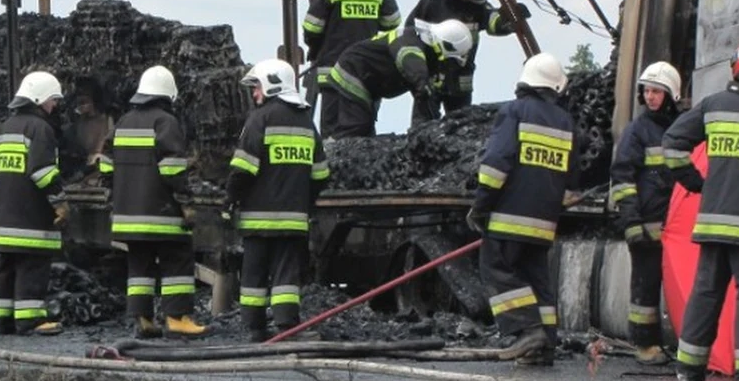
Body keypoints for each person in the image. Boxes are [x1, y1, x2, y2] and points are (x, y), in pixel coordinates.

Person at [467, 53, 579, 366]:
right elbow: (573, 178)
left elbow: (496, 164)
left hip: (507, 219)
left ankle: (526, 330)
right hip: (544, 223)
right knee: (536, 280)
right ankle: (544, 346)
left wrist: (480, 206)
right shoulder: (565, 121)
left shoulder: (514, 111)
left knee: (497, 270)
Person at [99, 66, 211, 339]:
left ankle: (144, 319)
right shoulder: (166, 122)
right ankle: (177, 318)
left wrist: (115, 193)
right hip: (162, 214)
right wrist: (186, 201)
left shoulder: (123, 122)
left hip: (128, 215)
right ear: (166, 95)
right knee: (177, 261)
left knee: (139, 265)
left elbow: (105, 164)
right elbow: (172, 169)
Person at [226, 59, 329, 342]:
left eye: (257, 87)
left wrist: (230, 199)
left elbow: (243, 168)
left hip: (257, 219)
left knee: (253, 276)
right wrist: (304, 201)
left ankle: (255, 330)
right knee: (286, 277)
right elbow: (321, 174)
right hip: (293, 219)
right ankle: (287, 328)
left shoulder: (260, 119)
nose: (254, 94)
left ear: (272, 85)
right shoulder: (307, 123)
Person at [664, 41, 739, 381]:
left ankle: (688, 369)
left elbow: (672, 144)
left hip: (712, 221)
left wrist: (696, 184)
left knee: (707, 291)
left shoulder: (713, 106)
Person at [610, 61, 701, 364]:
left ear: (671, 95)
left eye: (656, 92)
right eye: (646, 91)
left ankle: (687, 343)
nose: (650, 97)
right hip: (647, 225)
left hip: (678, 229)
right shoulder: (637, 131)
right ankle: (645, 345)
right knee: (645, 287)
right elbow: (622, 179)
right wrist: (632, 223)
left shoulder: (684, 128)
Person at [0, 71, 69, 336]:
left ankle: (2, 321)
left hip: (5, 216)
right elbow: (42, 171)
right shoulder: (40, 129)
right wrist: (60, 202)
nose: (54, 105)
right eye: (52, 100)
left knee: (6, 268)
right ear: (38, 98)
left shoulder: (5, 127)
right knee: (32, 268)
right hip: (31, 217)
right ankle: (30, 321)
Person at [302, 0, 401, 135]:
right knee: (363, 129)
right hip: (367, 72)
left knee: (331, 131)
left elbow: (311, 28)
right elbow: (393, 22)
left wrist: (315, 47)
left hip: (331, 69)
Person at [404, 0, 530, 122]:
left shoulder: (477, 7)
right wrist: (416, 73)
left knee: (462, 128)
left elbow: (492, 22)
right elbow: (409, 33)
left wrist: (508, 18)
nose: (478, 2)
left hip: (461, 82)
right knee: (421, 128)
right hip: (430, 79)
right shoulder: (433, 1)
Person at [325, 19, 473, 138]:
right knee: (356, 127)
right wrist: (422, 83)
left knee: (366, 131)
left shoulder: (430, 58)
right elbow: (409, 58)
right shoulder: (409, 39)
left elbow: (425, 99)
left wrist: (427, 132)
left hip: (370, 81)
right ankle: (332, 155)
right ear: (445, 47)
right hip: (354, 70)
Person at [61, 78, 114, 183]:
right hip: (81, 170)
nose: (80, 105)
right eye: (79, 102)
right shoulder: (78, 122)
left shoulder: (106, 120)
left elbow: (104, 147)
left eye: (84, 101)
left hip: (99, 171)